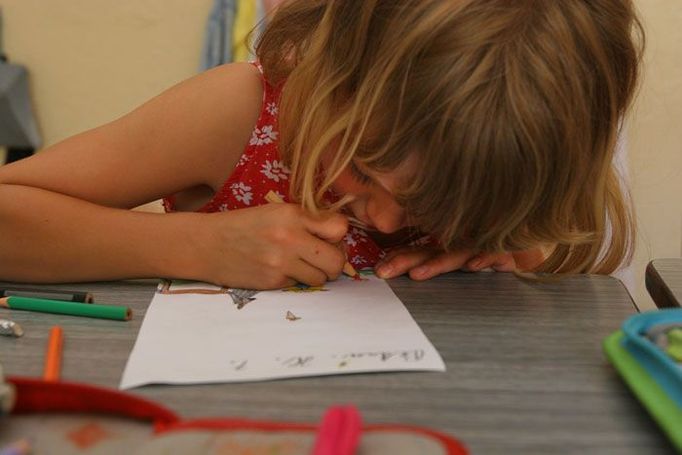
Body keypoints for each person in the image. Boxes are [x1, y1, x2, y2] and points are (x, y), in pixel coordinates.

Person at [0, 0, 643, 290]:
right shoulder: (241, 113)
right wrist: (198, 247)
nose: (387, 220)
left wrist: (498, 245)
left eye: (431, 203)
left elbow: (548, 276)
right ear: (332, 74)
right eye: (365, 170)